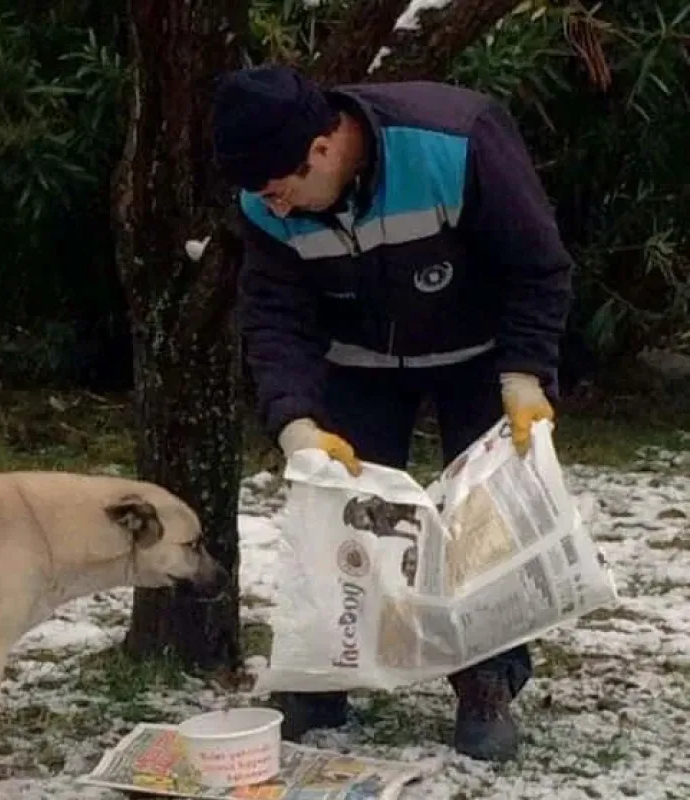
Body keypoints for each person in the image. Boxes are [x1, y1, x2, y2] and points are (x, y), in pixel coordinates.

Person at [210, 66, 575, 762]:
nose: (274, 208)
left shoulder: (454, 142)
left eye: (279, 190)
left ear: (320, 149)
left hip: (480, 355)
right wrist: (297, 424)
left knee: (482, 524)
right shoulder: (267, 201)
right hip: (361, 360)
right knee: (340, 516)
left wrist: (526, 374)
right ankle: (319, 681)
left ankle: (485, 682)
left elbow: (539, 266)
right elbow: (273, 317)